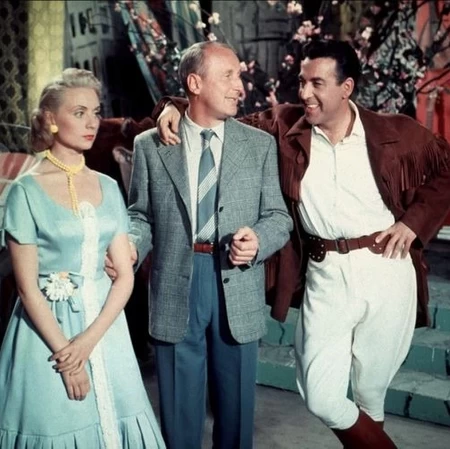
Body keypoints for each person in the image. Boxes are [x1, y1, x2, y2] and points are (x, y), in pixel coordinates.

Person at [154, 39, 450, 448]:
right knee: (322, 394)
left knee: (370, 395)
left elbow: (446, 168)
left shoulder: (394, 131)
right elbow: (208, 113)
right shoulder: (283, 124)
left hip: (386, 268)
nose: (305, 93)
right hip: (325, 271)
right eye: (302, 81)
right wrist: (171, 105)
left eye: (317, 84)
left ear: (346, 88)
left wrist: (414, 223)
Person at [125, 41, 292, 449]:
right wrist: (130, 246)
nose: (240, 86)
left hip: (236, 281)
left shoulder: (259, 145)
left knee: (236, 415)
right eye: (228, 76)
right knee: (179, 414)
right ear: (195, 83)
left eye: (239, 76)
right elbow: (140, 215)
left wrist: (259, 241)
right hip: (175, 281)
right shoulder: (150, 145)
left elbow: (279, 217)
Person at [0, 68, 165, 448]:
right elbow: (27, 289)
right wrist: (67, 355)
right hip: (47, 334)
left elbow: (124, 275)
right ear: (51, 120)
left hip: (106, 331)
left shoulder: (107, 185)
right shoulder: (26, 191)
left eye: (95, 112)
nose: (92, 123)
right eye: (79, 113)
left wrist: (88, 342)